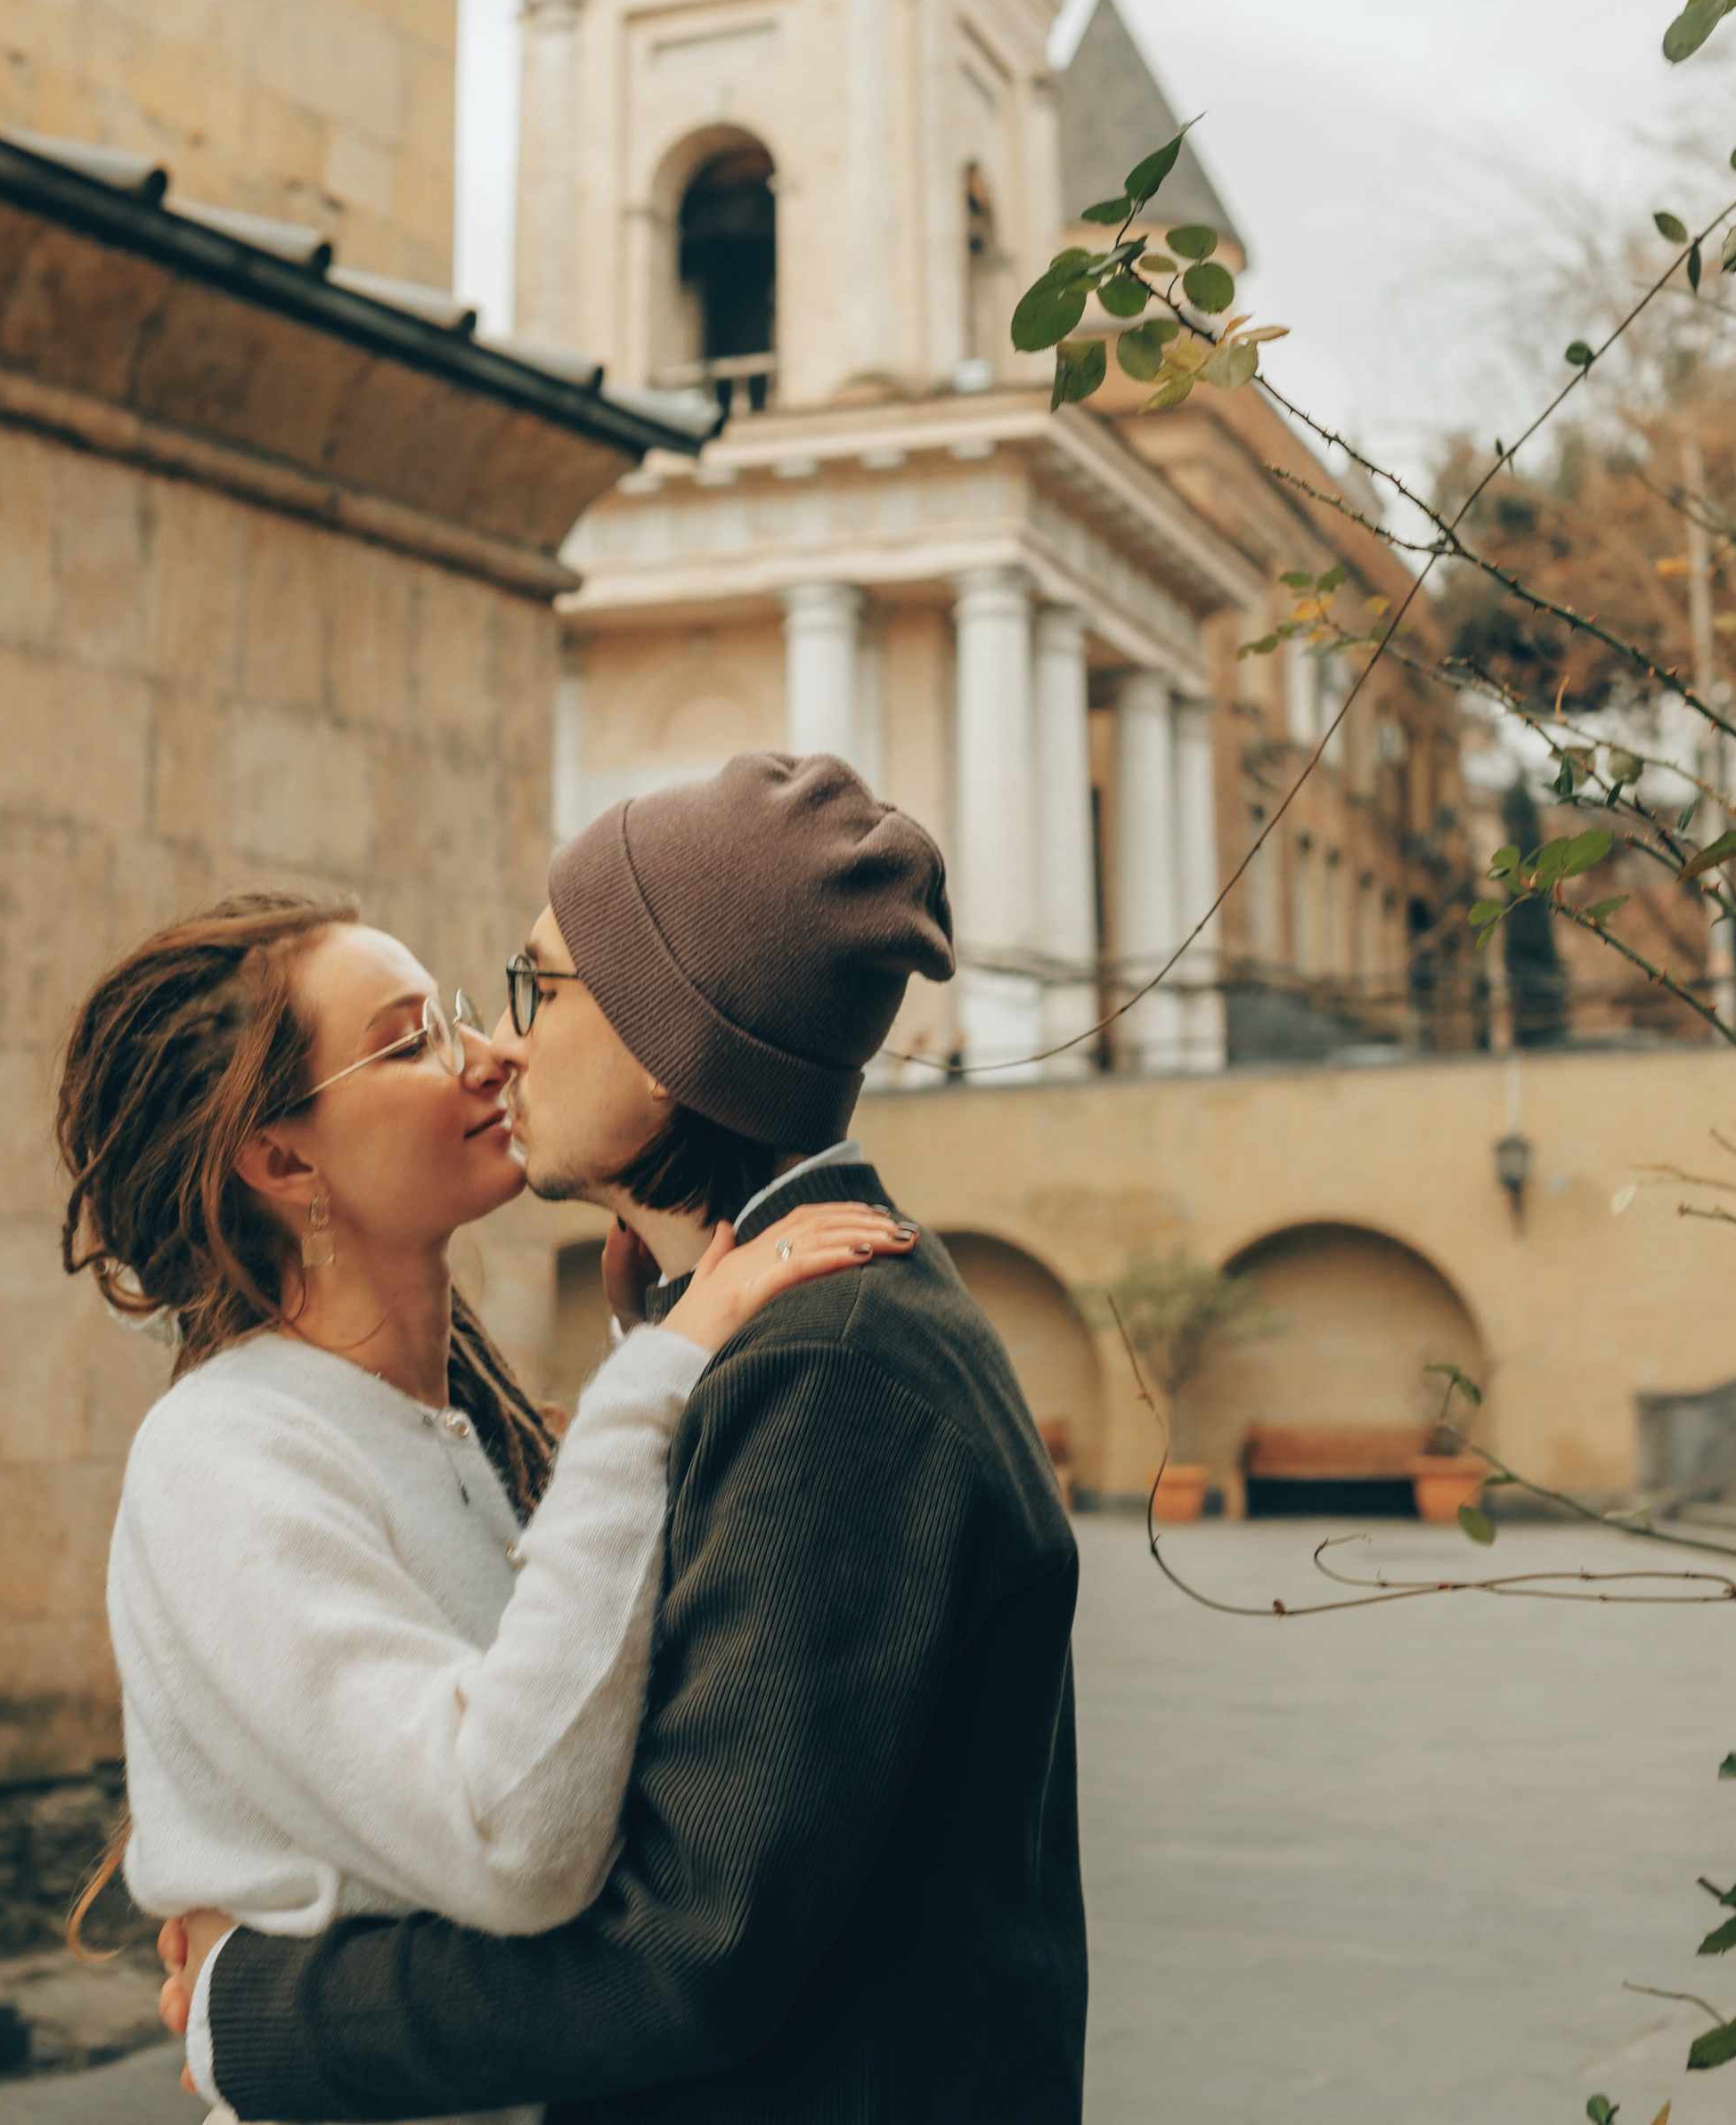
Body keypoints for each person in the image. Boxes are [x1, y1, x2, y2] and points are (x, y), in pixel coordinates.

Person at [167, 753, 1089, 2125]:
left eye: (540, 986)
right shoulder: (769, 1337)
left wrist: (259, 2013)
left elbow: (683, 1947)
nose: (504, 1041)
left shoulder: (832, 1369)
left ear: (671, 1051)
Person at [58, 891, 910, 2125]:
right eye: (409, 1042)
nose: (489, 1055)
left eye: (455, 1016)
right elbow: (512, 1839)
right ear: (283, 1159)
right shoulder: (223, 1455)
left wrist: (662, 1339)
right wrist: (658, 1377)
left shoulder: (461, 1421)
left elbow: (618, 1739)